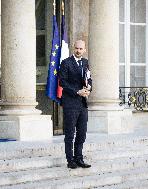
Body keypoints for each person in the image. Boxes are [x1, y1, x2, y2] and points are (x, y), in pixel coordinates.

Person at [59, 40, 92, 169]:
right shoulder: (66, 63)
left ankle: (79, 158)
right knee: (70, 133)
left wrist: (88, 88)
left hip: (82, 104)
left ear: (84, 50)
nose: (78, 51)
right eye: (77, 48)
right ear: (74, 48)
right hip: (70, 103)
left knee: (82, 133)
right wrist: (77, 91)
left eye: (81, 49)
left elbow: (89, 79)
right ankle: (70, 160)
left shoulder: (85, 62)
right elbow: (62, 82)